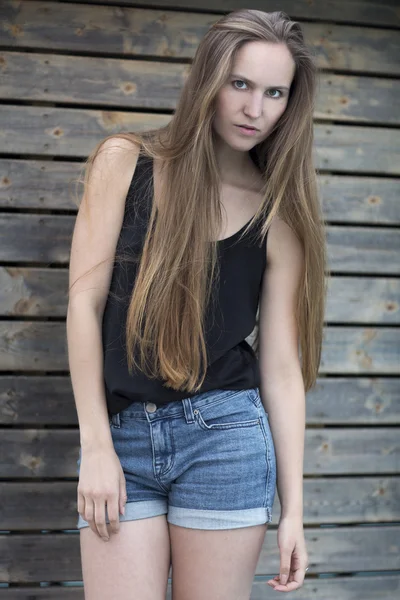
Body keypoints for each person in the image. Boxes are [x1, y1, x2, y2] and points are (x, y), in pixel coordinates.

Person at [67, 8, 327, 599]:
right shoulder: (125, 162)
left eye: (274, 92)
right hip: (124, 438)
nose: (254, 109)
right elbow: (84, 305)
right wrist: (96, 446)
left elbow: (282, 369)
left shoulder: (277, 214)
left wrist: (294, 511)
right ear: (208, 80)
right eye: (240, 84)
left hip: (227, 440)